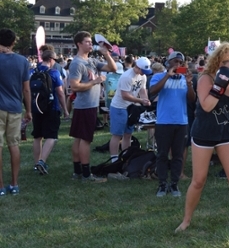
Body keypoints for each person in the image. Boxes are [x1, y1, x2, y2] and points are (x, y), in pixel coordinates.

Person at [176, 42, 229, 231]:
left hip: (226, 132)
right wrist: (219, 85)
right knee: (199, 180)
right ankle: (186, 220)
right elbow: (207, 106)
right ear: (219, 62)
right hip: (204, 132)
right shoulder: (205, 79)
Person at [68, 31, 117, 182]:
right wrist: (94, 82)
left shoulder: (92, 61)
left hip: (89, 105)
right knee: (85, 140)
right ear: (79, 44)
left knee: (79, 139)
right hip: (85, 106)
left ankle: (77, 172)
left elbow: (113, 69)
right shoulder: (77, 63)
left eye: (91, 42)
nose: (91, 44)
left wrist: (106, 54)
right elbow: (74, 87)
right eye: (87, 42)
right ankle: (86, 174)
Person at [149, 51, 195, 197]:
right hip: (163, 121)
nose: (177, 64)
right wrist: (167, 75)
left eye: (180, 62)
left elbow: (192, 99)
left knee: (178, 155)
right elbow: (153, 91)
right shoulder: (158, 76)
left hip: (181, 122)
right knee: (162, 154)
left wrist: (189, 84)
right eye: (174, 61)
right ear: (168, 62)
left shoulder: (184, 78)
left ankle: (174, 184)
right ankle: (162, 184)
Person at [0, 29, 31, 194]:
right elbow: (26, 90)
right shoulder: (22, 61)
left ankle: (0, 187)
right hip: (15, 108)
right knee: (14, 145)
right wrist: (29, 110)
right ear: (13, 42)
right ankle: (14, 183)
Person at [32, 50, 69, 175]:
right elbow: (60, 92)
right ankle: (42, 161)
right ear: (52, 59)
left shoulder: (33, 71)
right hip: (51, 107)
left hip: (36, 107)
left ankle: (36, 162)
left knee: (37, 136)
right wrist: (65, 109)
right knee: (51, 136)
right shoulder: (54, 72)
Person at [108, 57, 152, 164]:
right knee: (117, 135)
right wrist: (140, 100)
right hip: (119, 107)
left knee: (128, 134)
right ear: (136, 67)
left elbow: (142, 89)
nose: (143, 73)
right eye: (142, 70)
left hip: (130, 107)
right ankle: (114, 159)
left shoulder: (143, 76)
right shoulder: (127, 77)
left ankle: (126, 156)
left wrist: (145, 99)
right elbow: (125, 95)